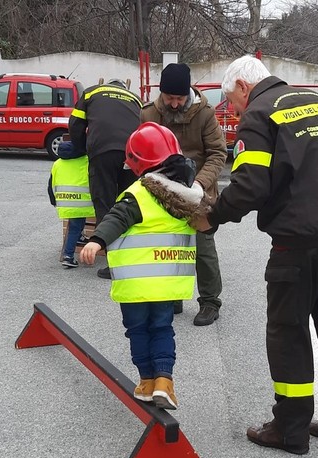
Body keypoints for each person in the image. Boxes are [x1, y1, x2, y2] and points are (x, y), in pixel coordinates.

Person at [192, 56, 318, 454]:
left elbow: (249, 185)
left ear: (244, 86)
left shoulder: (260, 114)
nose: (232, 109)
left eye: (231, 100)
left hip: (300, 243)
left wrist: (213, 217)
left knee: (288, 332)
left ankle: (290, 429)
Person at [80, 122, 204, 409]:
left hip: (136, 284)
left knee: (137, 329)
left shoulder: (139, 193)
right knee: (162, 328)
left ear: (138, 163)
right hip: (166, 283)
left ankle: (146, 380)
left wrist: (96, 240)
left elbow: (116, 218)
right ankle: (165, 382)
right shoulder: (187, 195)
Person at [141, 63, 227, 326]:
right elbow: (141, 150)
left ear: (188, 92)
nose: (175, 104)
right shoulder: (149, 114)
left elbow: (218, 153)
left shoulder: (205, 114)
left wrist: (200, 183)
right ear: (161, 93)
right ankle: (172, 297)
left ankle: (210, 301)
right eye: (169, 99)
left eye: (179, 98)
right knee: (167, 247)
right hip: (163, 191)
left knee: (202, 248)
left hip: (198, 192)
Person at [69, 79, 142, 278]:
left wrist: (83, 148)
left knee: (105, 204)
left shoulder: (92, 92)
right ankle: (132, 258)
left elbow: (75, 125)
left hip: (103, 152)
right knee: (129, 204)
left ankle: (113, 265)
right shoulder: (136, 98)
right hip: (132, 154)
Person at [47, 139, 95, 268]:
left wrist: (54, 201)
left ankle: (79, 236)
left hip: (64, 201)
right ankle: (68, 256)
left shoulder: (57, 163)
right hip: (82, 201)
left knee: (76, 223)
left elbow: (50, 184)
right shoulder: (86, 161)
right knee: (75, 226)